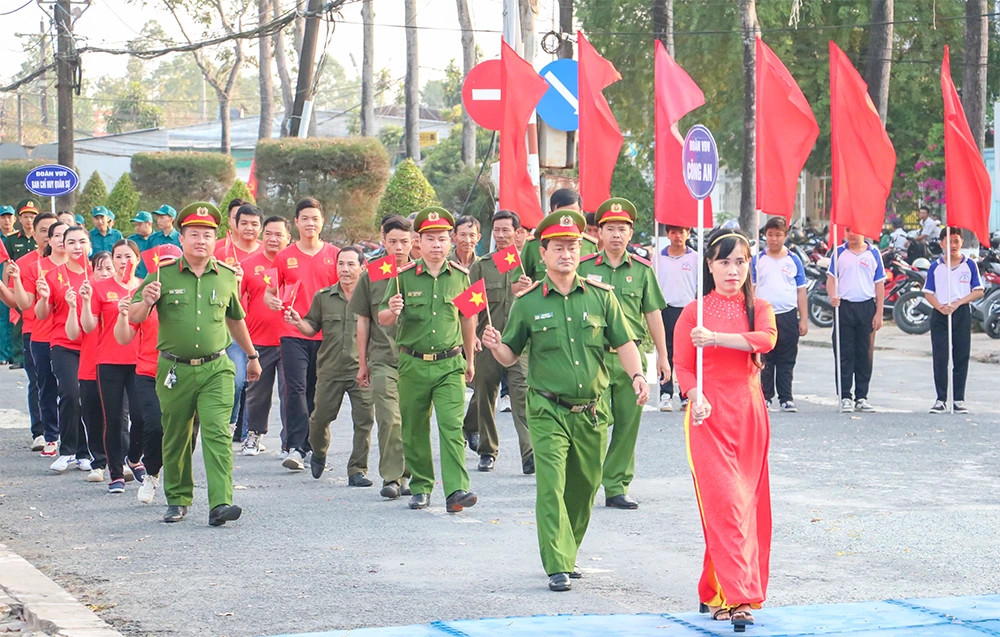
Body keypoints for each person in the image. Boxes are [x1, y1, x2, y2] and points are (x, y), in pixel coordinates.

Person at [481, 209, 648, 591]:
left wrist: (638, 375)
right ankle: (556, 561)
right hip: (547, 408)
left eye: (573, 247)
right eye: (558, 247)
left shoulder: (601, 298)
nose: (567, 254)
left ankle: (567, 550)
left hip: (590, 410)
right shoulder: (527, 303)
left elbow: (624, 342)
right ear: (543, 253)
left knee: (585, 486)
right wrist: (495, 348)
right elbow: (510, 354)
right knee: (552, 484)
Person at [128, 202, 261, 526]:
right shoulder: (162, 274)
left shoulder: (227, 277)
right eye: (194, 234)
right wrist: (146, 301)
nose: (201, 240)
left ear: (215, 239)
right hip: (175, 370)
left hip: (216, 368)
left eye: (207, 235)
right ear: (182, 238)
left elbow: (236, 320)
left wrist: (253, 356)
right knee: (176, 435)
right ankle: (177, 498)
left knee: (217, 432)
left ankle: (220, 503)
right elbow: (133, 317)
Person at [673, 228, 776, 631]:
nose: (734, 270)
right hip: (706, 415)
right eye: (724, 261)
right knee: (726, 504)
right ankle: (738, 598)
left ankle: (713, 588)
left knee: (745, 508)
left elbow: (766, 340)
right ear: (709, 265)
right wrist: (694, 394)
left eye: (741, 261)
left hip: (749, 415)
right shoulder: (692, 312)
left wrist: (715, 338)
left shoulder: (760, 307)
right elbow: (683, 365)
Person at [378, 206, 478, 512]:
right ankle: (421, 486)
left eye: (442, 239)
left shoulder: (462, 276)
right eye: (430, 239)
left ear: (450, 242)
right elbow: (382, 318)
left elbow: (468, 319)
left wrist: (470, 359)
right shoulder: (402, 277)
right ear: (418, 243)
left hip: (450, 364)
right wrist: (393, 311)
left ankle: (456, 491)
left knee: (451, 426)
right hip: (413, 363)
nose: (437, 245)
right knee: (414, 428)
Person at [578, 198, 669, 510]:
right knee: (596, 421)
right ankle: (587, 482)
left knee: (629, 423)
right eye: (610, 229)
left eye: (622, 229)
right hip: (595, 357)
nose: (616, 234)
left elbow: (653, 314)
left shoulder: (643, 271)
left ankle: (616, 485)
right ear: (599, 233)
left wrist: (663, 356)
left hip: (632, 358)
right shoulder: (584, 267)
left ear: (631, 234)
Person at [285, 246, 378, 487]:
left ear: (362, 267)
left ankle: (357, 469)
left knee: (364, 421)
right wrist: (298, 322)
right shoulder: (324, 297)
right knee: (319, 419)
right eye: (341, 264)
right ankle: (319, 451)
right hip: (330, 370)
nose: (345, 269)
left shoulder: (371, 297)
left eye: (350, 264)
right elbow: (311, 327)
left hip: (362, 370)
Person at [264, 198, 340, 470]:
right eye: (304, 218)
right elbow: (270, 291)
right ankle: (295, 447)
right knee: (294, 389)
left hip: (326, 335)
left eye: (315, 218)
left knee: (317, 392)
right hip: (292, 332)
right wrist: (271, 299)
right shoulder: (284, 257)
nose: (310, 223)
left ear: (322, 222)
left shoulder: (335, 255)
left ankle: (313, 446)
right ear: (296, 222)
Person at [464, 210, 534, 474]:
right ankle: (487, 450)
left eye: (507, 230)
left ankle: (529, 454)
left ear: (518, 233)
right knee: (485, 396)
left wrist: (526, 289)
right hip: (488, 340)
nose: (502, 235)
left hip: (519, 343)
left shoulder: (529, 264)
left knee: (522, 397)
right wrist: (470, 342)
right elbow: (470, 308)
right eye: (497, 230)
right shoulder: (482, 266)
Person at [348, 214, 411, 499]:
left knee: (411, 420)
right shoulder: (372, 274)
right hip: (383, 359)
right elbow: (363, 321)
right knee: (390, 419)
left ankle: (411, 474)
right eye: (393, 241)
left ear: (414, 242)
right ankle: (392, 478)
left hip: (416, 359)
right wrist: (363, 363)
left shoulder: (422, 272)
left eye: (405, 242)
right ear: (383, 241)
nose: (398, 248)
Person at [81, 240, 144, 494]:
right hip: (108, 360)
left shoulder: (144, 287)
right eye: (118, 256)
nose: (123, 261)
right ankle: (116, 473)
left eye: (128, 256)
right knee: (114, 418)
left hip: (140, 360)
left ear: (137, 260)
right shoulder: (100, 287)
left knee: (141, 417)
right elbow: (88, 326)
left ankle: (134, 457)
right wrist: (84, 302)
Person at [34, 225, 92, 473]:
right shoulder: (53, 276)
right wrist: (45, 298)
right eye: (71, 242)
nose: (77, 247)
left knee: (88, 399)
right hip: (63, 344)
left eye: (82, 242)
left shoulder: (98, 274)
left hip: (93, 346)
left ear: (89, 245)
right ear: (63, 246)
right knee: (69, 393)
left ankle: (87, 452)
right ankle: (68, 451)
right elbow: (41, 314)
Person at [13, 219, 67, 459]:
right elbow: (25, 304)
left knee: (72, 391)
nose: (61, 240)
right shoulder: (37, 267)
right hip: (42, 335)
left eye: (67, 235)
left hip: (73, 337)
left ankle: (75, 438)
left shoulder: (84, 267)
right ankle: (51, 436)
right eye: (56, 235)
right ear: (50, 240)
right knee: (46, 386)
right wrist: (15, 280)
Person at [240, 215, 291, 456]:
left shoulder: (294, 262)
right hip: (259, 340)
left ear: (288, 238)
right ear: (262, 235)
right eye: (269, 233)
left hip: (292, 339)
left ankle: (290, 441)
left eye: (279, 234)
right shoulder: (249, 265)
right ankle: (253, 435)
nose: (273, 238)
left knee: (291, 392)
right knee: (257, 392)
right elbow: (238, 303)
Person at [115, 263, 164, 505]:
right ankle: (150, 473)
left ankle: (177, 483)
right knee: (151, 424)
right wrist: (132, 310)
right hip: (148, 371)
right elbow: (123, 337)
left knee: (181, 432)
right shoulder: (146, 297)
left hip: (183, 373)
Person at [7, 211, 55, 450]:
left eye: (53, 230)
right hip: (33, 330)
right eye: (43, 231)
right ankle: (41, 431)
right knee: (39, 382)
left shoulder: (71, 263)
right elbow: (17, 301)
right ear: (33, 234)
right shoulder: (25, 263)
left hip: (64, 333)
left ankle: (67, 432)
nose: (48, 236)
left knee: (68, 386)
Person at [923, 228, 983, 414]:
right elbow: (928, 292)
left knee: (961, 355)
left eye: (956, 241)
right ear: (942, 244)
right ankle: (941, 398)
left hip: (961, 312)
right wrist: (940, 306)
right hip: (940, 314)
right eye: (949, 242)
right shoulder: (936, 266)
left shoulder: (969, 265)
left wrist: (958, 303)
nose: (953, 246)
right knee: (941, 357)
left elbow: (978, 290)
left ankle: (958, 399)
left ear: (962, 243)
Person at [751, 217, 808, 412]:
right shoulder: (758, 260)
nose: (774, 239)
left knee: (786, 358)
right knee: (766, 358)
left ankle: (786, 397)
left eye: (778, 235)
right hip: (764, 316)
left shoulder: (794, 260)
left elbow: (801, 291)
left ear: (785, 235)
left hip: (788, 315)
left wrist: (804, 319)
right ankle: (766, 396)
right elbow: (751, 289)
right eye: (770, 235)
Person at [828, 227, 885, 413]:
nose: (851, 234)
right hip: (844, 307)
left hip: (866, 307)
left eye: (855, 230)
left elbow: (879, 284)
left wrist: (879, 312)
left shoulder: (873, 253)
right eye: (847, 230)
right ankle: (845, 396)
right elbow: (831, 279)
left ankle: (862, 396)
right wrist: (832, 296)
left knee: (864, 353)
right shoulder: (839, 253)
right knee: (844, 352)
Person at [218, 204, 263, 441]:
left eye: (254, 223)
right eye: (243, 222)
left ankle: (250, 433)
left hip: (261, 329)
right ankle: (230, 425)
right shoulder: (219, 251)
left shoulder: (267, 252)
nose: (248, 227)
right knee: (236, 381)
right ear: (234, 224)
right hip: (230, 330)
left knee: (255, 384)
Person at [74, 251, 115, 483]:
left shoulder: (124, 294)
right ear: (91, 271)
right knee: (92, 415)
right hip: (90, 362)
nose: (105, 273)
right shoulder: (84, 296)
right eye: (99, 268)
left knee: (117, 416)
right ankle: (98, 462)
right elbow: (80, 329)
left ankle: (119, 461)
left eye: (109, 268)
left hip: (117, 363)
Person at [655, 224, 698, 412]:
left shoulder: (695, 258)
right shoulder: (659, 258)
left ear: (687, 233)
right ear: (667, 235)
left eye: (681, 232)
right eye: (673, 232)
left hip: (687, 311)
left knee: (686, 353)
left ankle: (685, 394)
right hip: (665, 309)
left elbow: (699, 286)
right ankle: (665, 393)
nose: (677, 236)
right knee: (666, 351)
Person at [520, 189, 598, 282]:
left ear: (581, 214)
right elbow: (517, 283)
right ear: (550, 214)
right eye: (561, 214)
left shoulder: (591, 245)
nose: (567, 219)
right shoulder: (533, 244)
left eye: (572, 214)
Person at [5, 200, 40, 371]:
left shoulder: (40, 239)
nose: (29, 220)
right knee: (18, 322)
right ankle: (19, 357)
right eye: (25, 217)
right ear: (19, 218)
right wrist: (6, 287)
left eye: (32, 216)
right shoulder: (12, 240)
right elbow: (7, 264)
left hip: (37, 286)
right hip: (18, 285)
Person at [0, 206, 14, 365]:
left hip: (13, 285)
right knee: (3, 320)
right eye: (3, 217)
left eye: (9, 217)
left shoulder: (15, 238)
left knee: (14, 319)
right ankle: (3, 354)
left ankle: (12, 353)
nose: (6, 220)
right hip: (2, 285)